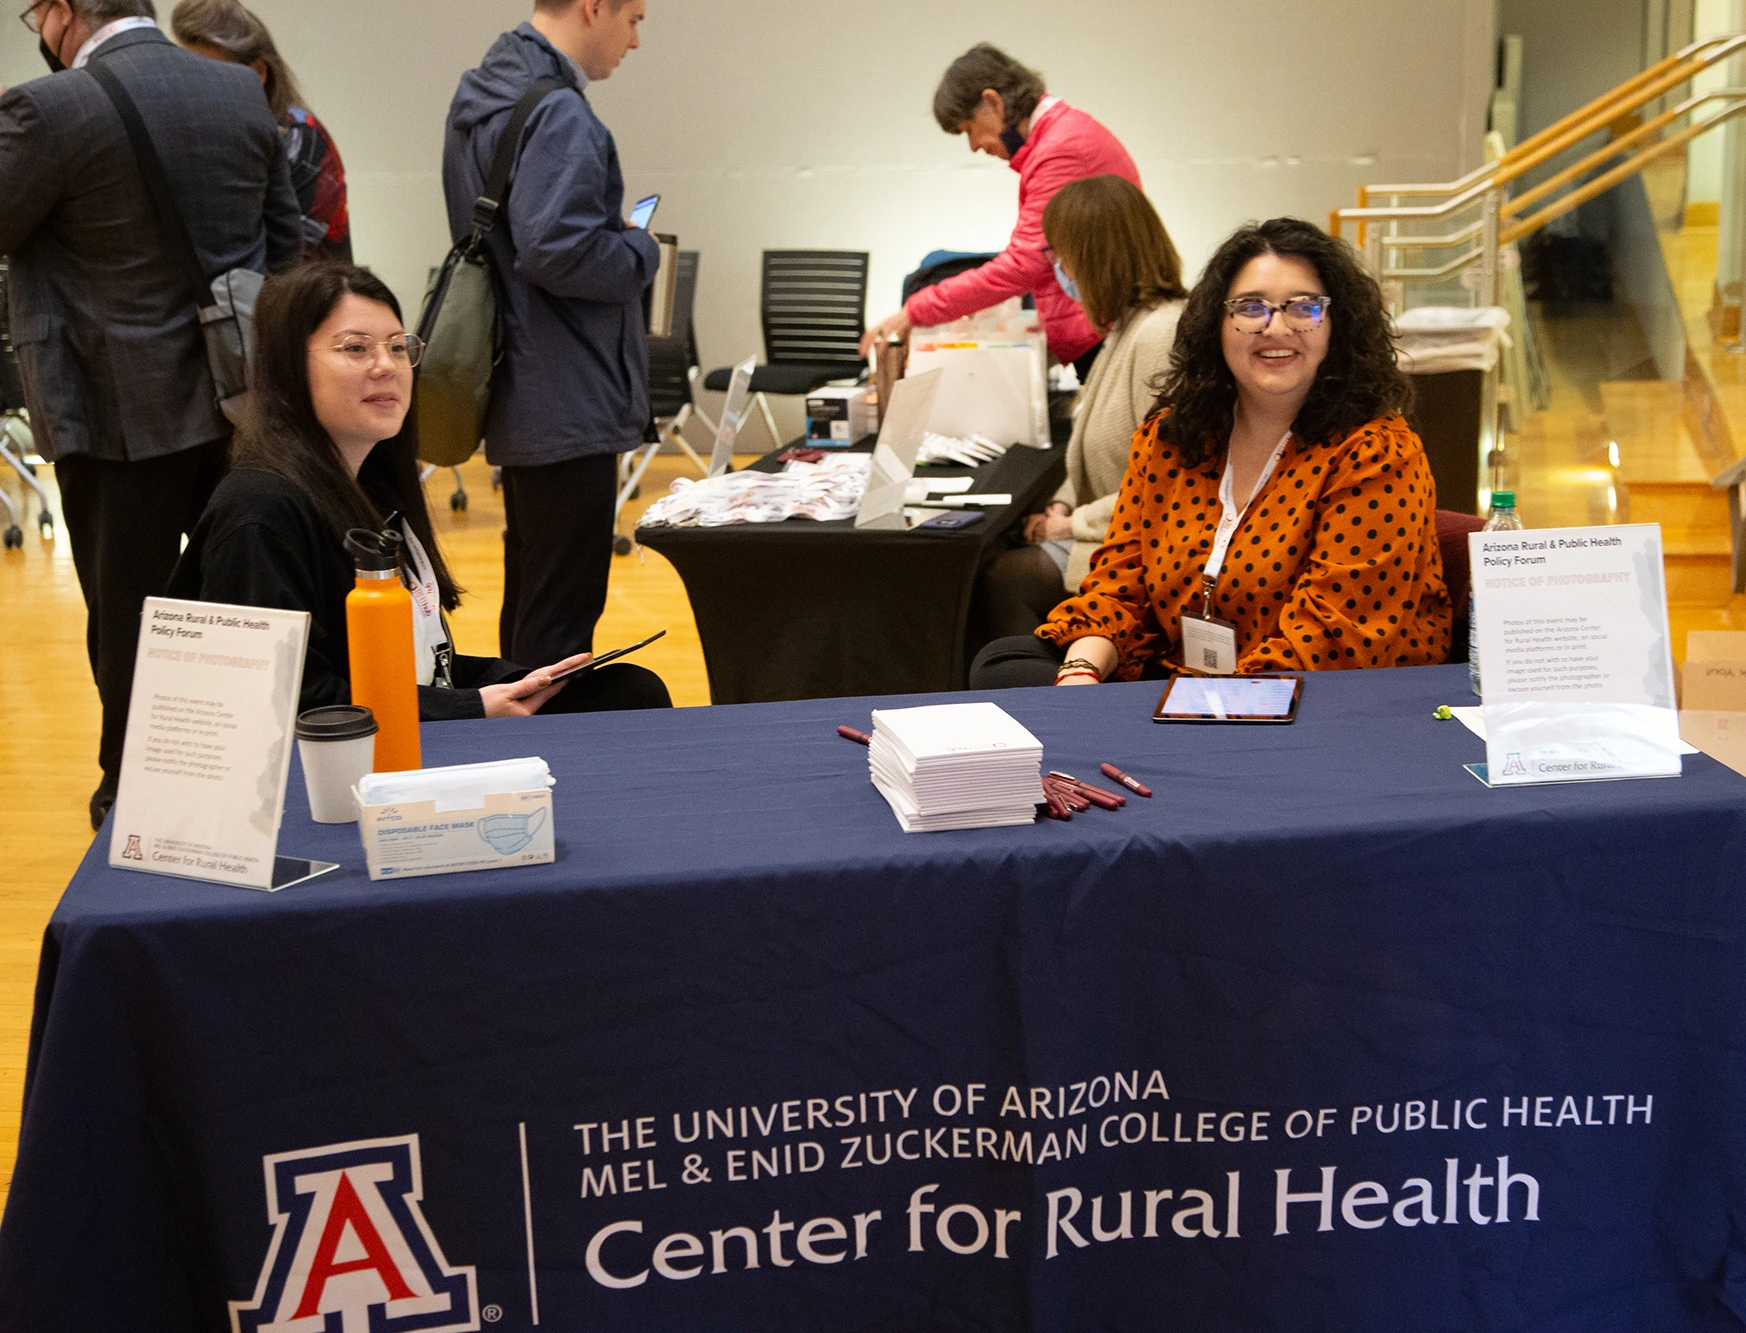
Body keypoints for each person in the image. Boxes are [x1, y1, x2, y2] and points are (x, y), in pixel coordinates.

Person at [0, 0, 302, 829]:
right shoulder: (239, 94)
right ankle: (251, 783)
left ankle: (135, 798)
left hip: (111, 409)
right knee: (242, 600)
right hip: (239, 401)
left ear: (62, 12)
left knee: (127, 613)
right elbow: (288, 246)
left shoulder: (45, 108)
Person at [168, 262, 672, 718]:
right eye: (355, 348)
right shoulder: (259, 513)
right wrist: (473, 709)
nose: (386, 365)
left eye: (396, 346)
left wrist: (511, 683)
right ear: (289, 368)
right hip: (344, 768)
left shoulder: (372, 487)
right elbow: (290, 705)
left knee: (629, 692)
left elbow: (426, 669)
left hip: (411, 723)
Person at [970, 218, 1452, 689]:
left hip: (1311, 697)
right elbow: (1119, 587)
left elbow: (1333, 645)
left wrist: (1188, 705)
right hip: (1187, 681)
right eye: (1250, 307)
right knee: (1003, 663)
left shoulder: (1376, 452)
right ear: (1216, 324)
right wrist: (1081, 672)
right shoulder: (1171, 437)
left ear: (1336, 325)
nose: (1276, 327)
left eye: (1304, 308)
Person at [443, 0, 658, 669]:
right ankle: (555, 761)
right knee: (562, 619)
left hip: (522, 382)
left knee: (536, 599)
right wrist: (638, 253)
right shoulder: (560, 111)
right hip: (570, 390)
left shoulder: (480, 92)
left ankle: (524, 754)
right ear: (594, 8)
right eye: (635, 19)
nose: (636, 40)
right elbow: (553, 249)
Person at [980, 175, 1187, 639]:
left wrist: (1073, 522)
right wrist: (1061, 503)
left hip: (1143, 548)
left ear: (1094, 257)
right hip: (1113, 527)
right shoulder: (1126, 327)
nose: (1058, 268)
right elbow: (1097, 446)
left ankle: (1037, 698)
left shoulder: (1160, 334)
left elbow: (1170, 483)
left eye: (1060, 254)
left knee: (1004, 580)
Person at [860, 43, 1140, 378]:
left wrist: (914, 311)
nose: (974, 146)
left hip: (1104, 334)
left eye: (968, 129)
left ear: (993, 102)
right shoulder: (1061, 138)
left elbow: (1024, 265)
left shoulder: (1060, 151)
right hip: (1103, 328)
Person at [170, 0, 352, 262]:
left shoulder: (302, 138)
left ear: (257, 73)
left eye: (208, 74)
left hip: (296, 297)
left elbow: (285, 258)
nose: (193, 88)